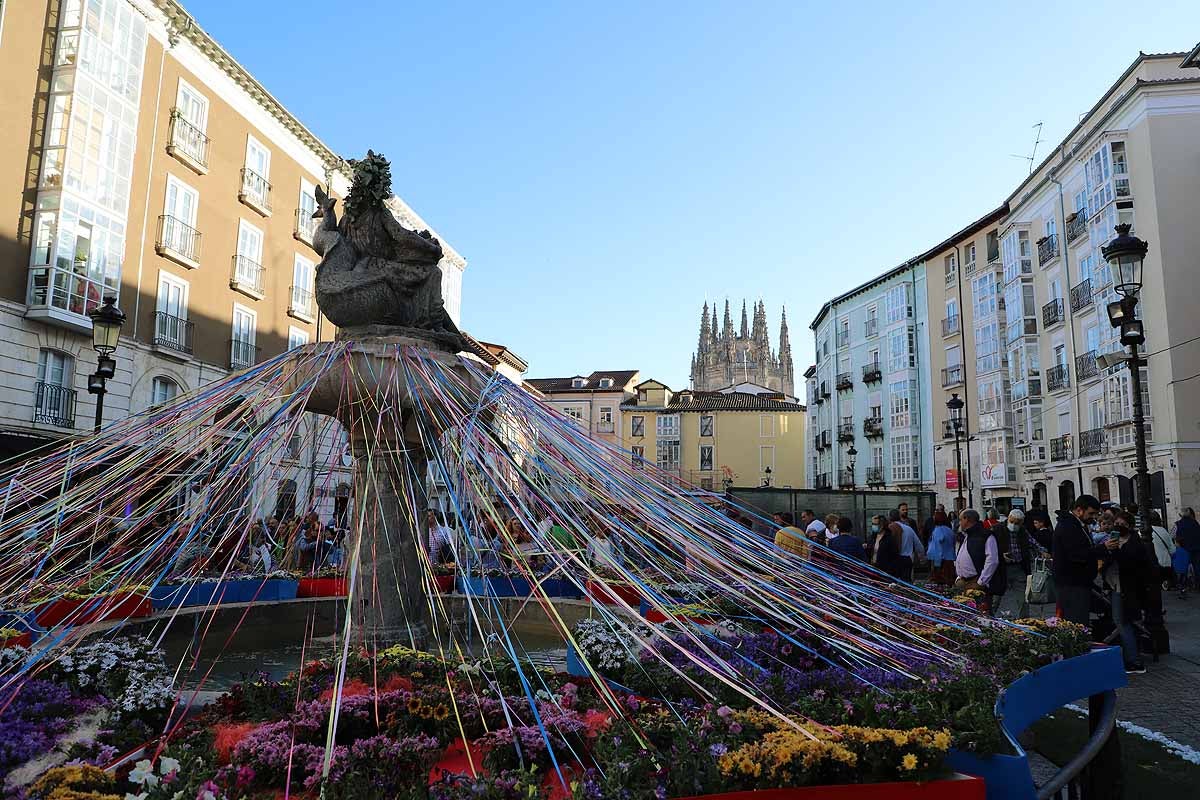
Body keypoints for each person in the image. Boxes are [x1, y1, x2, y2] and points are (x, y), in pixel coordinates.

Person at [1102, 511, 1150, 674]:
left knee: (1122, 622)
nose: (1118, 527)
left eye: (1122, 524)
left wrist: (1114, 551)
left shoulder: (1135, 544)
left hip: (1126, 589)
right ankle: (1131, 657)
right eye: (1117, 523)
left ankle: (1134, 661)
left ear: (1129, 526)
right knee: (1123, 621)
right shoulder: (1114, 540)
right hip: (1114, 585)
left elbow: (1128, 564)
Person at [1053, 494, 1109, 627]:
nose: (1094, 517)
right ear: (1079, 510)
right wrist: (1103, 548)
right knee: (1075, 622)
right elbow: (1078, 554)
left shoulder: (1077, 525)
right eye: (1091, 513)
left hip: (1078, 582)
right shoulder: (1069, 527)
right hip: (1072, 583)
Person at [954, 509, 1006, 614]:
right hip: (964, 581)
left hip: (976, 582)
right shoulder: (967, 535)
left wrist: (981, 581)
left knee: (981, 613)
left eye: (960, 520)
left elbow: (992, 560)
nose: (959, 523)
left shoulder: (985, 536)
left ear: (967, 519)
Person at [891, 509, 925, 582]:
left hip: (894, 560)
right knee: (906, 583)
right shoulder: (908, 529)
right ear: (900, 517)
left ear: (889, 518)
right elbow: (919, 546)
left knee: (894, 583)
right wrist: (922, 557)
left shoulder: (890, 528)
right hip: (907, 559)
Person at [926, 511, 957, 585]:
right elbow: (953, 543)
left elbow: (937, 548)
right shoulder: (950, 530)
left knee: (940, 585)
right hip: (950, 560)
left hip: (941, 562)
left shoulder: (937, 530)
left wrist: (936, 566)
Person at [1174, 508, 1200, 591]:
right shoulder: (1195, 523)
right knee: (1197, 567)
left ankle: (1185, 585)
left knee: (1184, 567)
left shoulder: (1177, 524)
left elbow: (1172, 536)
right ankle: (1198, 585)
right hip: (1196, 548)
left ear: (1180, 515)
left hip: (1184, 548)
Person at [1147, 510, 1175, 590]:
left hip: (1153, 566)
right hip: (1165, 564)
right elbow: (1173, 550)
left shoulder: (1145, 532)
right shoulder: (1163, 531)